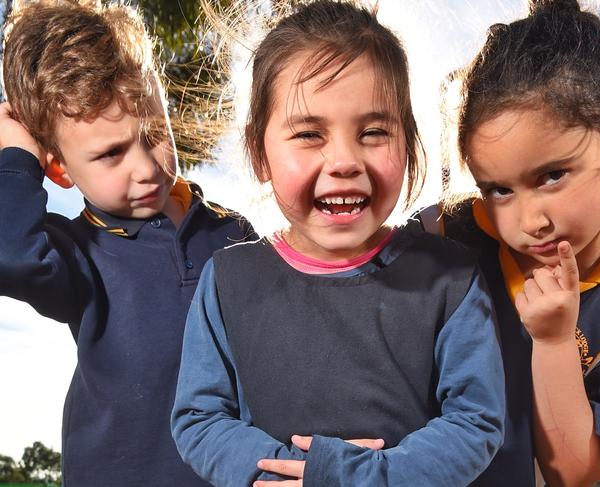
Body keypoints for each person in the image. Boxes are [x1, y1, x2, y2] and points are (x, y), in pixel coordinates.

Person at [171, 1, 505, 486]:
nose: (345, 160)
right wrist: (288, 473)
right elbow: (199, 419)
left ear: (409, 143)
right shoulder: (226, 281)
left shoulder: (451, 278)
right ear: (258, 153)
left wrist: (369, 477)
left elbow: (476, 421)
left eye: (373, 132)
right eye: (309, 133)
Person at [0, 1, 254, 486]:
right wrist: (15, 156)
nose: (145, 167)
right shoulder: (76, 252)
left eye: (155, 133)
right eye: (111, 153)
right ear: (58, 168)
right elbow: (9, 256)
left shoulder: (234, 232)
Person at [420, 0, 600, 484]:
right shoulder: (446, 233)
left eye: (552, 176)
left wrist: (554, 342)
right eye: (498, 189)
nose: (528, 221)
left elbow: (573, 472)